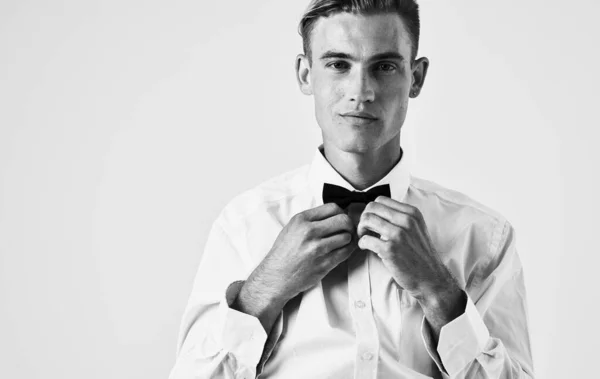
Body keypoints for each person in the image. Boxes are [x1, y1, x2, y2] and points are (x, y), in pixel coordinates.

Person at [168, 0, 534, 378]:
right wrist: (263, 291)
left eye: (385, 66)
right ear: (306, 74)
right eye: (339, 65)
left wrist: (439, 292)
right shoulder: (245, 226)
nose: (361, 91)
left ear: (416, 77)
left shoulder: (483, 238)